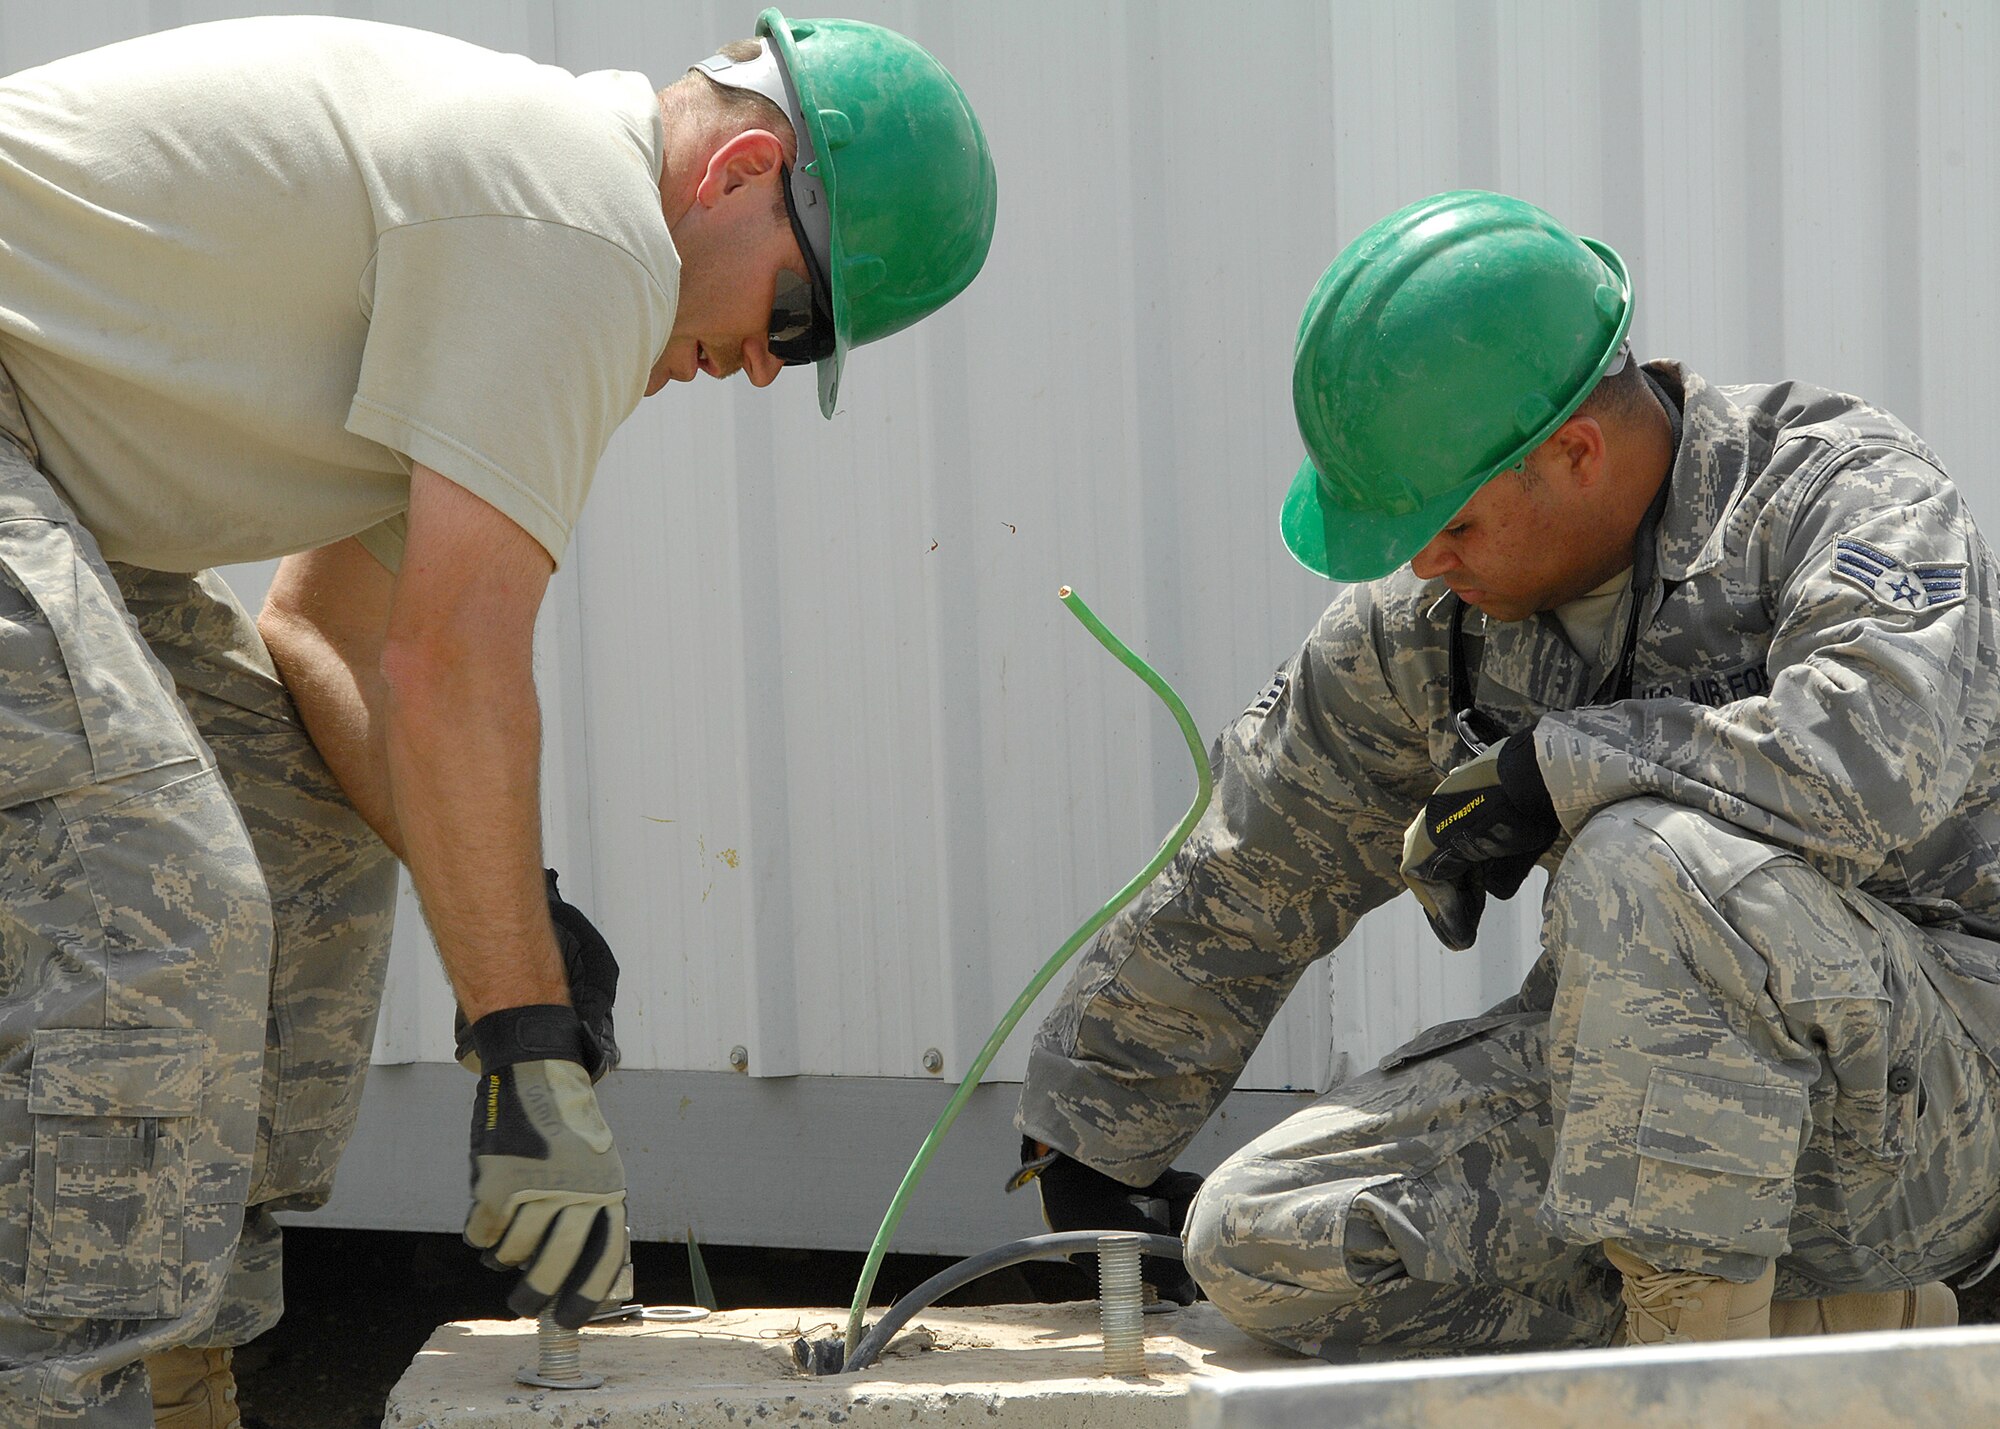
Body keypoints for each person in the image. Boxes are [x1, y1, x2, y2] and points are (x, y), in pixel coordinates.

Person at [0, 9, 994, 1424]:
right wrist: (523, 1043)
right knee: (159, 900)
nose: (768, 364)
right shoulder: (581, 228)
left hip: (45, 463)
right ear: (743, 173)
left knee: (307, 832)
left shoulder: (537, 231)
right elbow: (454, 673)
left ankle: (178, 1375)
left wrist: (519, 919)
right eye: (796, 311)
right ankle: (50, 1391)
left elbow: (322, 636)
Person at [1012, 189, 2000, 1358]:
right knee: (1259, 1237)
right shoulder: (1429, 621)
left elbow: (1867, 762)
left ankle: (1694, 1375)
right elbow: (1261, 854)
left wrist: (1557, 767)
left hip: (1934, 1092)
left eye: (1451, 523)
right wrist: (1093, 1125)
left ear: (1575, 451)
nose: (1423, 559)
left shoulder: (1834, 490)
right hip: (1658, 1111)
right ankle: (1836, 1320)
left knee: (1648, 854)